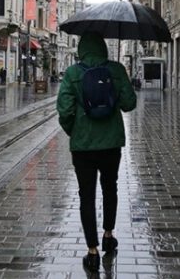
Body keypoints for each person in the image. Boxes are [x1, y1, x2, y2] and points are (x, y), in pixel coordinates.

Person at [56, 32, 137, 273]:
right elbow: (129, 104)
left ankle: (92, 252)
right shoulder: (117, 69)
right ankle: (108, 235)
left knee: (87, 196)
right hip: (111, 143)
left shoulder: (72, 73)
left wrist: (76, 131)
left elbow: (64, 110)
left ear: (81, 49)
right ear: (103, 48)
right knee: (110, 188)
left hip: (83, 146)